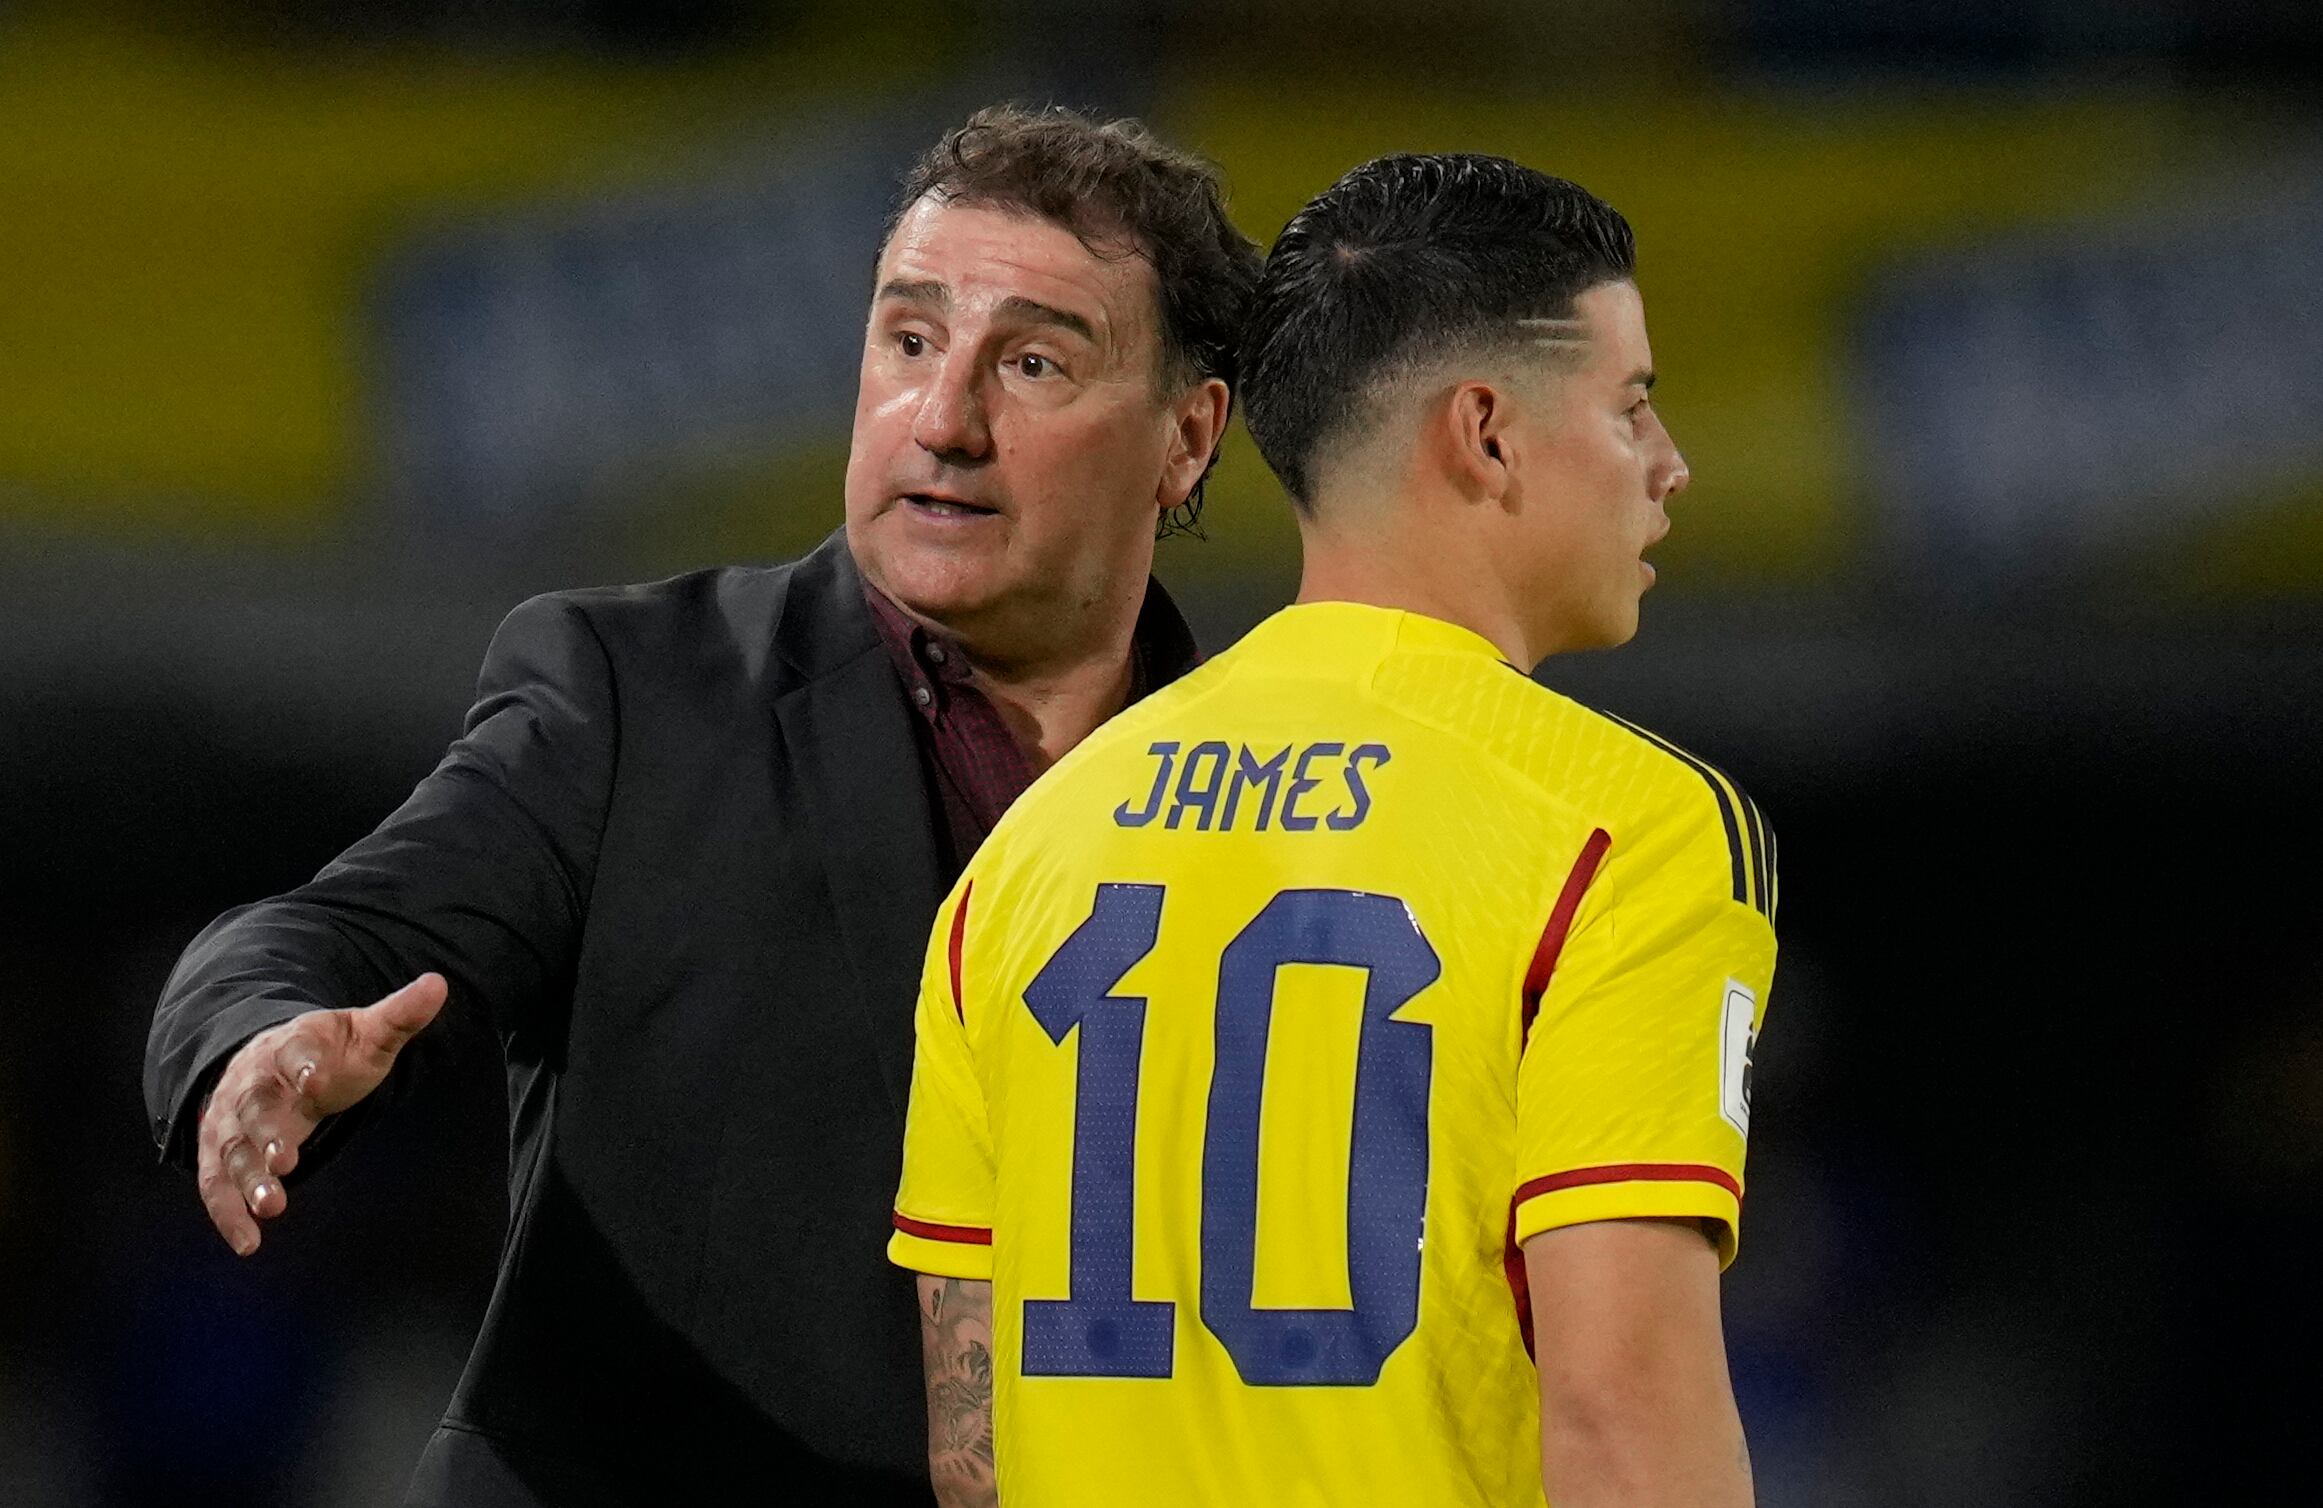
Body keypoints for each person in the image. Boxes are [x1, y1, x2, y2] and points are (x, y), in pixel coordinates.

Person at [141, 104, 1261, 1507]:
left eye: (1033, 363)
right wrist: (258, 1040)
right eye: (910, 341)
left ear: (1186, 438)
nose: (945, 419)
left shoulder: (1275, 808)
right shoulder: (633, 693)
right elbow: (334, 933)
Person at [888, 153, 1775, 1507]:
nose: (1670, 466)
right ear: (1486, 433)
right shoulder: (1623, 830)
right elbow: (1623, 1433)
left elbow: (974, 1452)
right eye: (1632, 407)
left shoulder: (1026, 851)